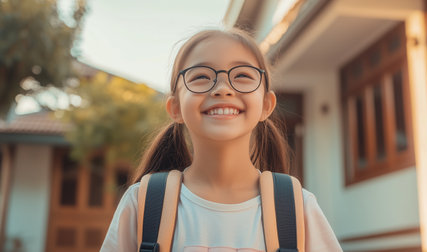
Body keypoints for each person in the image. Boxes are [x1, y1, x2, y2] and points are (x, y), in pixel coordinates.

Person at [100, 28, 342, 252]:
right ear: (175, 108)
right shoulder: (142, 204)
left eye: (243, 75)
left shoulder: (298, 208)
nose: (223, 88)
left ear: (266, 105)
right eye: (201, 77)